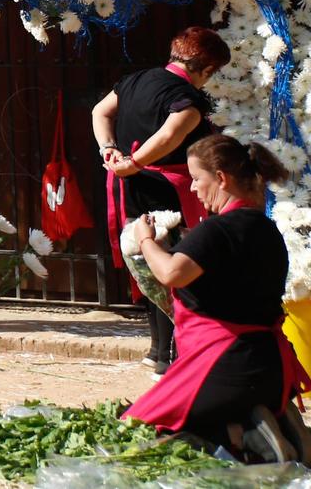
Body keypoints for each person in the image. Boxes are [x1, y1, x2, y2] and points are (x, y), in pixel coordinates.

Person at [128, 134, 310, 460]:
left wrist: (145, 241)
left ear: (221, 179)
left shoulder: (218, 230)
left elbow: (171, 273)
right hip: (271, 371)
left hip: (225, 368)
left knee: (142, 428)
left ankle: (246, 435)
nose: (194, 188)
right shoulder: (268, 233)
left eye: (197, 178)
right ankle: (277, 423)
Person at [93, 26, 231, 373]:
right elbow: (171, 135)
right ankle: (172, 355)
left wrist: (110, 150)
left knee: (146, 260)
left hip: (132, 185)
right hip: (168, 189)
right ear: (207, 68)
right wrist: (133, 162)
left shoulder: (134, 80)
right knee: (173, 265)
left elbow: (100, 112)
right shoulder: (189, 97)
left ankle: (157, 349)